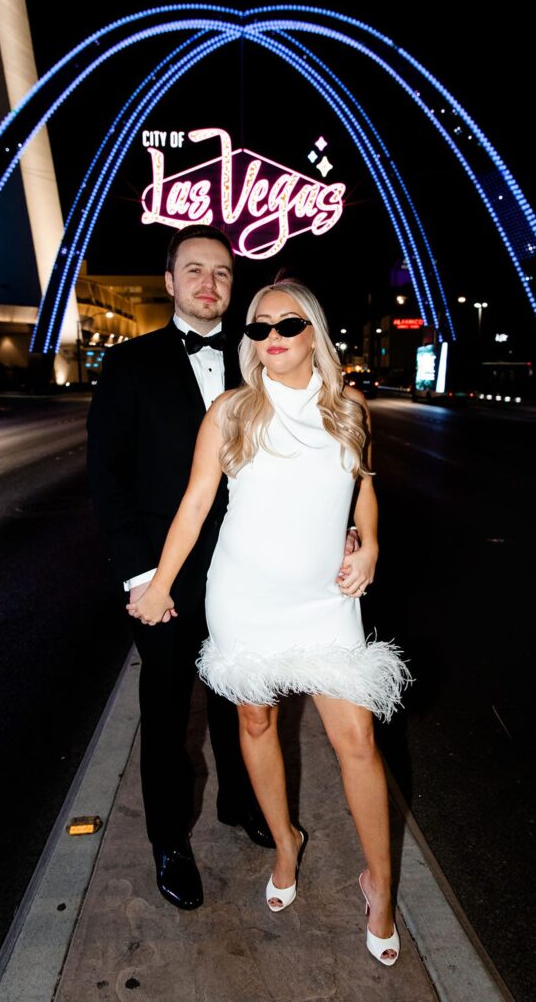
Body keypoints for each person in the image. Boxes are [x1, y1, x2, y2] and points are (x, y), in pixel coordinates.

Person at [127, 279, 410, 965]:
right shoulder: (231, 411)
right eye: (258, 327)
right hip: (244, 594)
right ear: (249, 341)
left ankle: (380, 883)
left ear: (313, 330)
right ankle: (285, 841)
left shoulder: (349, 408)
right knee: (255, 722)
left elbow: (361, 485)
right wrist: (159, 584)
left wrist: (367, 543)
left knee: (357, 740)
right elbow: (194, 506)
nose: (271, 334)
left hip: (324, 600)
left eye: (287, 322)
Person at [86, 224, 279, 912]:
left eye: (222, 273)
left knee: (241, 701)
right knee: (167, 717)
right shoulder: (128, 365)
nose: (209, 283)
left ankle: (239, 803)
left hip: (248, 573)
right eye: (193, 271)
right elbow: (108, 478)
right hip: (164, 578)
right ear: (169, 283)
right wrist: (141, 577)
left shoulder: (262, 360)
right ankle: (169, 841)